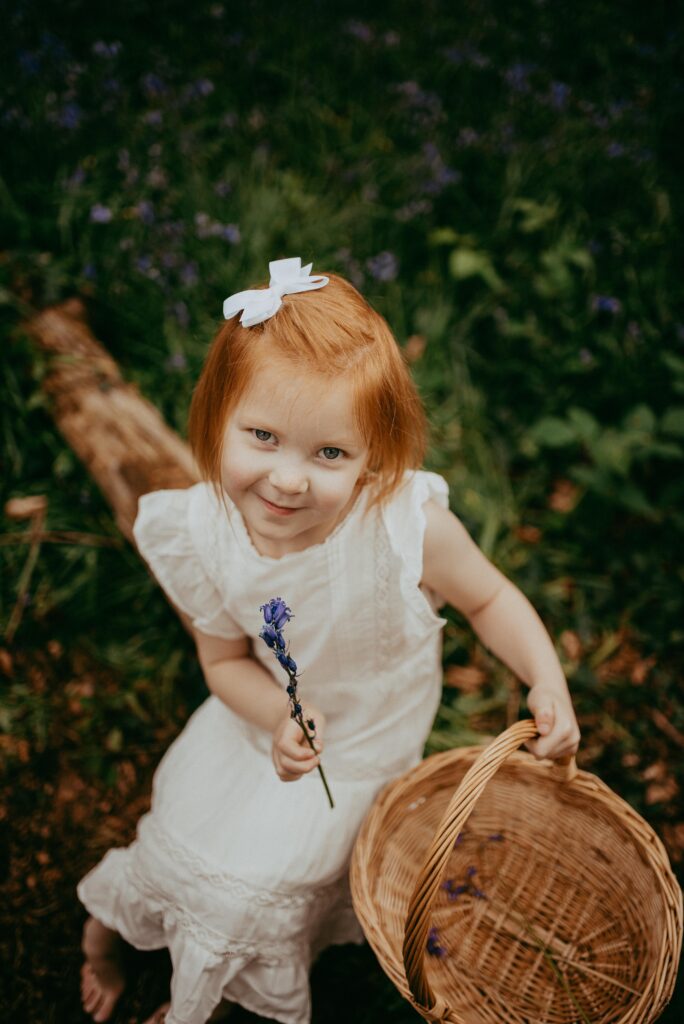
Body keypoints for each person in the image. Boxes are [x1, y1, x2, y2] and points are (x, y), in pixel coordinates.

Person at [78, 257, 580, 1024]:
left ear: (373, 458)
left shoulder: (403, 531)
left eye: (329, 454)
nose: (287, 479)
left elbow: (490, 596)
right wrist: (275, 720)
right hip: (260, 732)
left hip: (367, 749)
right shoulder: (205, 533)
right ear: (217, 418)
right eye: (263, 436)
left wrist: (546, 677)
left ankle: (205, 992)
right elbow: (223, 663)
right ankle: (101, 948)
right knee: (175, 853)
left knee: (264, 894)